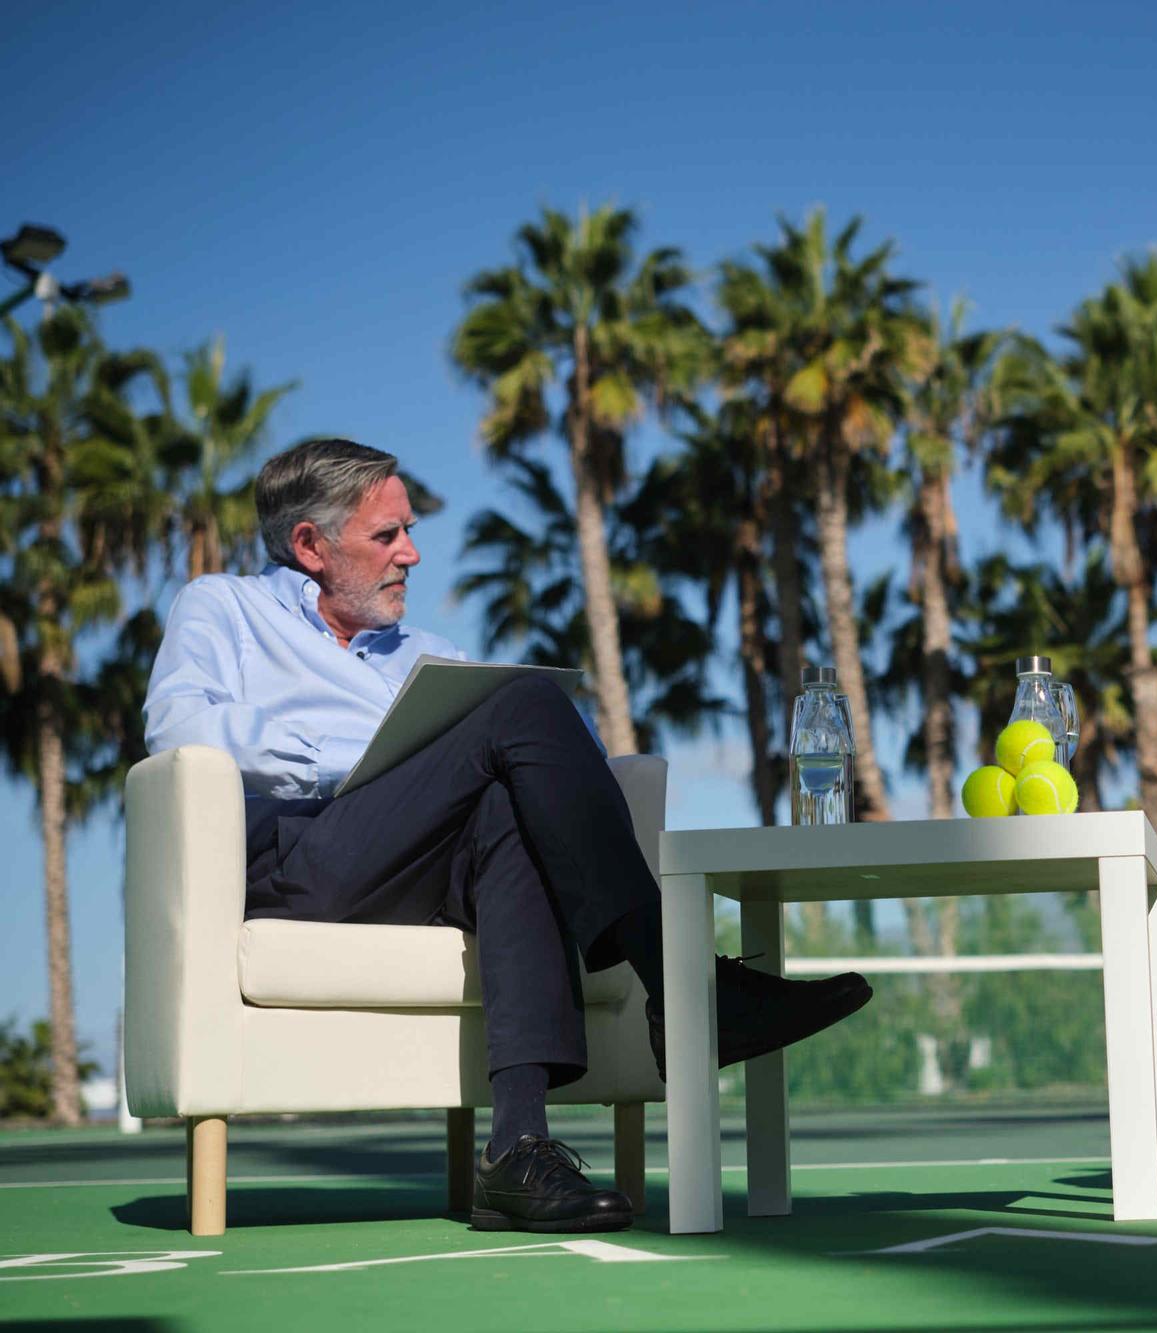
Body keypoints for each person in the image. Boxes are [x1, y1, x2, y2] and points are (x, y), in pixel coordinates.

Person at [143, 438, 872, 1233]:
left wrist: (516, 756)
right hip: (303, 857)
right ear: (310, 546)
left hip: (424, 864)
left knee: (512, 812)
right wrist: (366, 759)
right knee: (519, 706)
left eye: (409, 530)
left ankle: (518, 1148)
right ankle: (690, 988)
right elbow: (180, 725)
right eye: (386, 536)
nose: (411, 554)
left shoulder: (431, 656)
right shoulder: (224, 607)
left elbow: (560, 764)